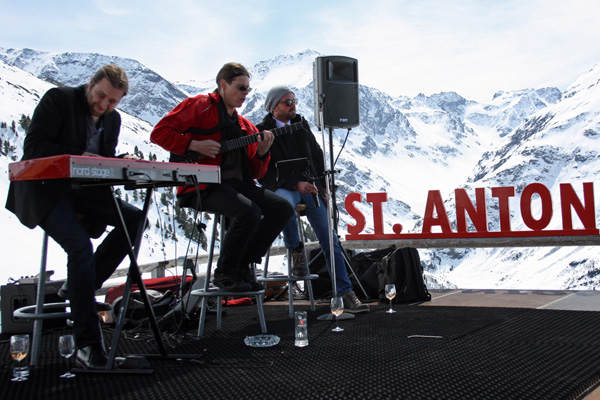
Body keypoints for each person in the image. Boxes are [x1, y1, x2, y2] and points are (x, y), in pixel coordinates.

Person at [5, 65, 147, 369]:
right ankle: (87, 345)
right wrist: (80, 156)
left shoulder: (113, 119)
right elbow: (35, 147)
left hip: (83, 191)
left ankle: (80, 286)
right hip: (44, 190)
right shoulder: (59, 99)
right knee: (80, 246)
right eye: (101, 96)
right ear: (90, 83)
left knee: (136, 220)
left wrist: (119, 162)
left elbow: (100, 162)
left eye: (113, 101)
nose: (104, 105)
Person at [150, 63, 293, 293]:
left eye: (248, 89)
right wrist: (193, 144)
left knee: (282, 208)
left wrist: (263, 153)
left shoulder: (245, 125)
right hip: (202, 186)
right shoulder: (198, 106)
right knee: (248, 211)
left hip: (237, 186)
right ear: (223, 84)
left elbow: (255, 173)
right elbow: (159, 133)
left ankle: (242, 264)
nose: (245, 94)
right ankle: (226, 272)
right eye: (241, 88)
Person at [256, 85, 369, 313]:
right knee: (282, 206)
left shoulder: (301, 124)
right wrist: (294, 184)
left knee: (330, 239)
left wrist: (323, 184)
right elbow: (262, 174)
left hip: (310, 186)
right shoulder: (261, 132)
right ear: (274, 107)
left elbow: (316, 156)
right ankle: (295, 249)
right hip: (285, 188)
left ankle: (345, 293)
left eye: (294, 101)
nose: (293, 106)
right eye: (288, 102)